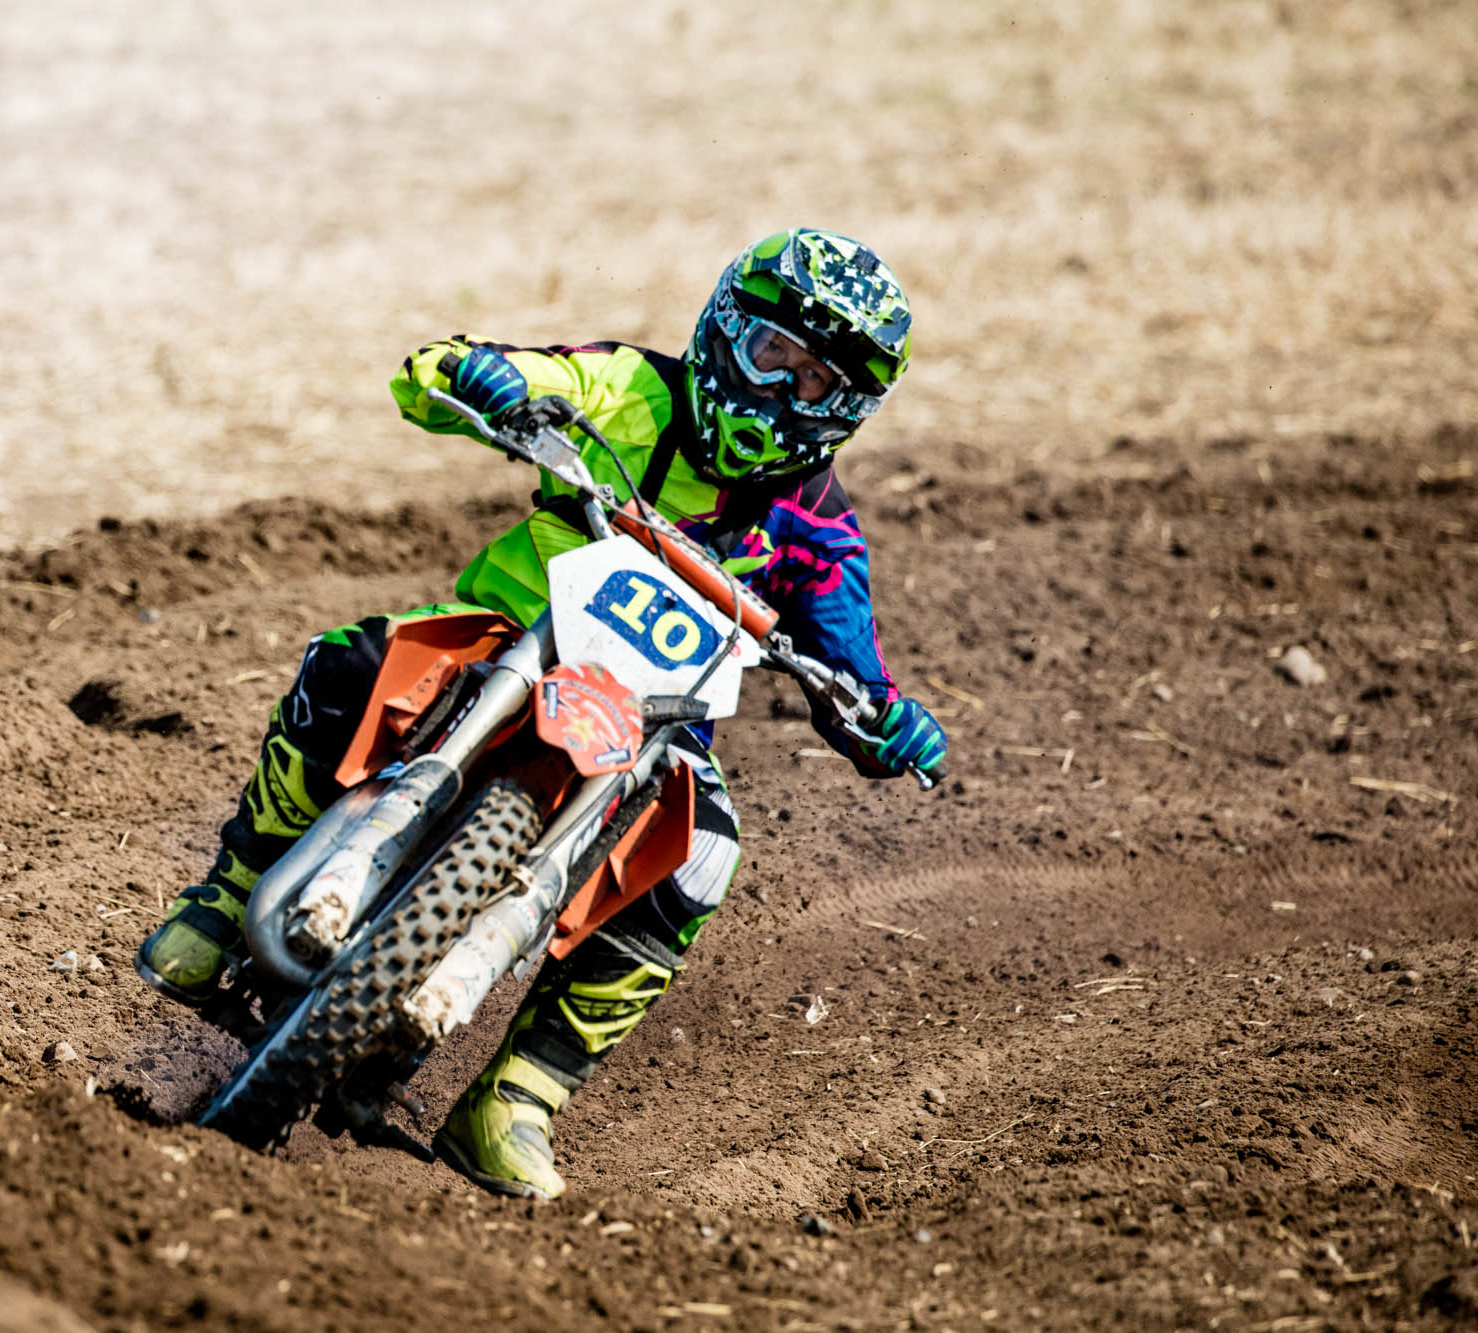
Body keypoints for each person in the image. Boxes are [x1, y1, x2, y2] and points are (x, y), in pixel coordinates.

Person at [136, 229, 947, 1199]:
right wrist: (478, 376)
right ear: (727, 329)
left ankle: (518, 1097)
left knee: (702, 856)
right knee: (356, 660)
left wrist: (884, 721)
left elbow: (852, 672)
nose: (781, 389)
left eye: (813, 381)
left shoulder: (818, 528)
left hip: (653, 728)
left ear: (844, 410)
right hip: (505, 638)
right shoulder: (630, 391)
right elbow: (455, 375)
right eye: (772, 352)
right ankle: (226, 898)